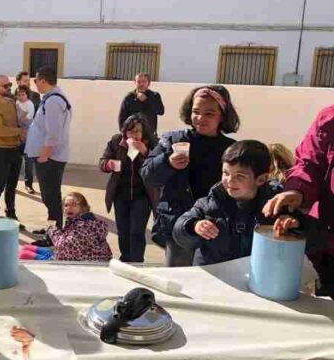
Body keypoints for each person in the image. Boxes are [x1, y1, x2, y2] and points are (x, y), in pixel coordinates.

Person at [263, 105, 334, 360]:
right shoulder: (329, 117)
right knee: (320, 334)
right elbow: (309, 162)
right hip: (330, 249)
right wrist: (297, 191)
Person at [141, 85, 240, 267]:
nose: (200, 118)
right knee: (179, 285)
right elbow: (148, 176)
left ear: (222, 116)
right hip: (178, 227)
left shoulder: (231, 149)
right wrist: (167, 161)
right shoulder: (173, 140)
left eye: (209, 113)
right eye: (196, 111)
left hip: (214, 230)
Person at [173, 140, 298, 265]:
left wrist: (293, 226)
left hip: (258, 276)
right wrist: (194, 226)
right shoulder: (209, 204)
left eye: (240, 176)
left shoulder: (278, 207)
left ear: (261, 179)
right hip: (214, 277)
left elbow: (307, 239)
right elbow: (179, 232)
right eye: (226, 173)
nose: (230, 181)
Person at [99, 114, 159, 263]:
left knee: (137, 231)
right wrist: (109, 164)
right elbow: (102, 162)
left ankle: (137, 261)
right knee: (123, 231)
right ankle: (125, 259)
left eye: (138, 131)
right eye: (130, 131)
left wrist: (145, 152)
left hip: (142, 194)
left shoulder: (152, 143)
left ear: (144, 132)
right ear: (124, 132)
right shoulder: (116, 142)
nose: (134, 135)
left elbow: (158, 167)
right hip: (121, 193)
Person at [25, 67, 72, 229]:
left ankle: (54, 233)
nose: (35, 84)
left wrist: (45, 156)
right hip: (49, 157)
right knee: (50, 197)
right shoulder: (51, 99)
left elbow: (54, 133)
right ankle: (52, 230)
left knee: (50, 197)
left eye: (36, 80)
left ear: (43, 80)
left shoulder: (53, 101)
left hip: (50, 159)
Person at [19, 192, 111, 262]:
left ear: (83, 208)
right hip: (70, 256)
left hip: (80, 263)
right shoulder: (82, 220)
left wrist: (53, 230)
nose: (69, 208)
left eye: (74, 205)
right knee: (25, 248)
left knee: (23, 255)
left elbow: (62, 246)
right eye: (66, 205)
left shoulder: (82, 227)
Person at [0, 75, 26, 225]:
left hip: (16, 149)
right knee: (0, 184)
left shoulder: (12, 103)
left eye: (10, 85)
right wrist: (20, 131)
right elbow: (0, 130)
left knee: (12, 186)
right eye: (5, 86)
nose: (9, 88)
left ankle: (11, 215)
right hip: (2, 151)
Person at [15, 85, 36, 195]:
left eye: (23, 94)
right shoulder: (16, 104)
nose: (21, 96)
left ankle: (29, 184)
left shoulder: (30, 104)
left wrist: (20, 123)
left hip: (28, 134)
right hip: (17, 134)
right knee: (15, 160)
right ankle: (12, 183)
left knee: (28, 161)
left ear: (27, 94)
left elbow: (28, 118)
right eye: (18, 94)